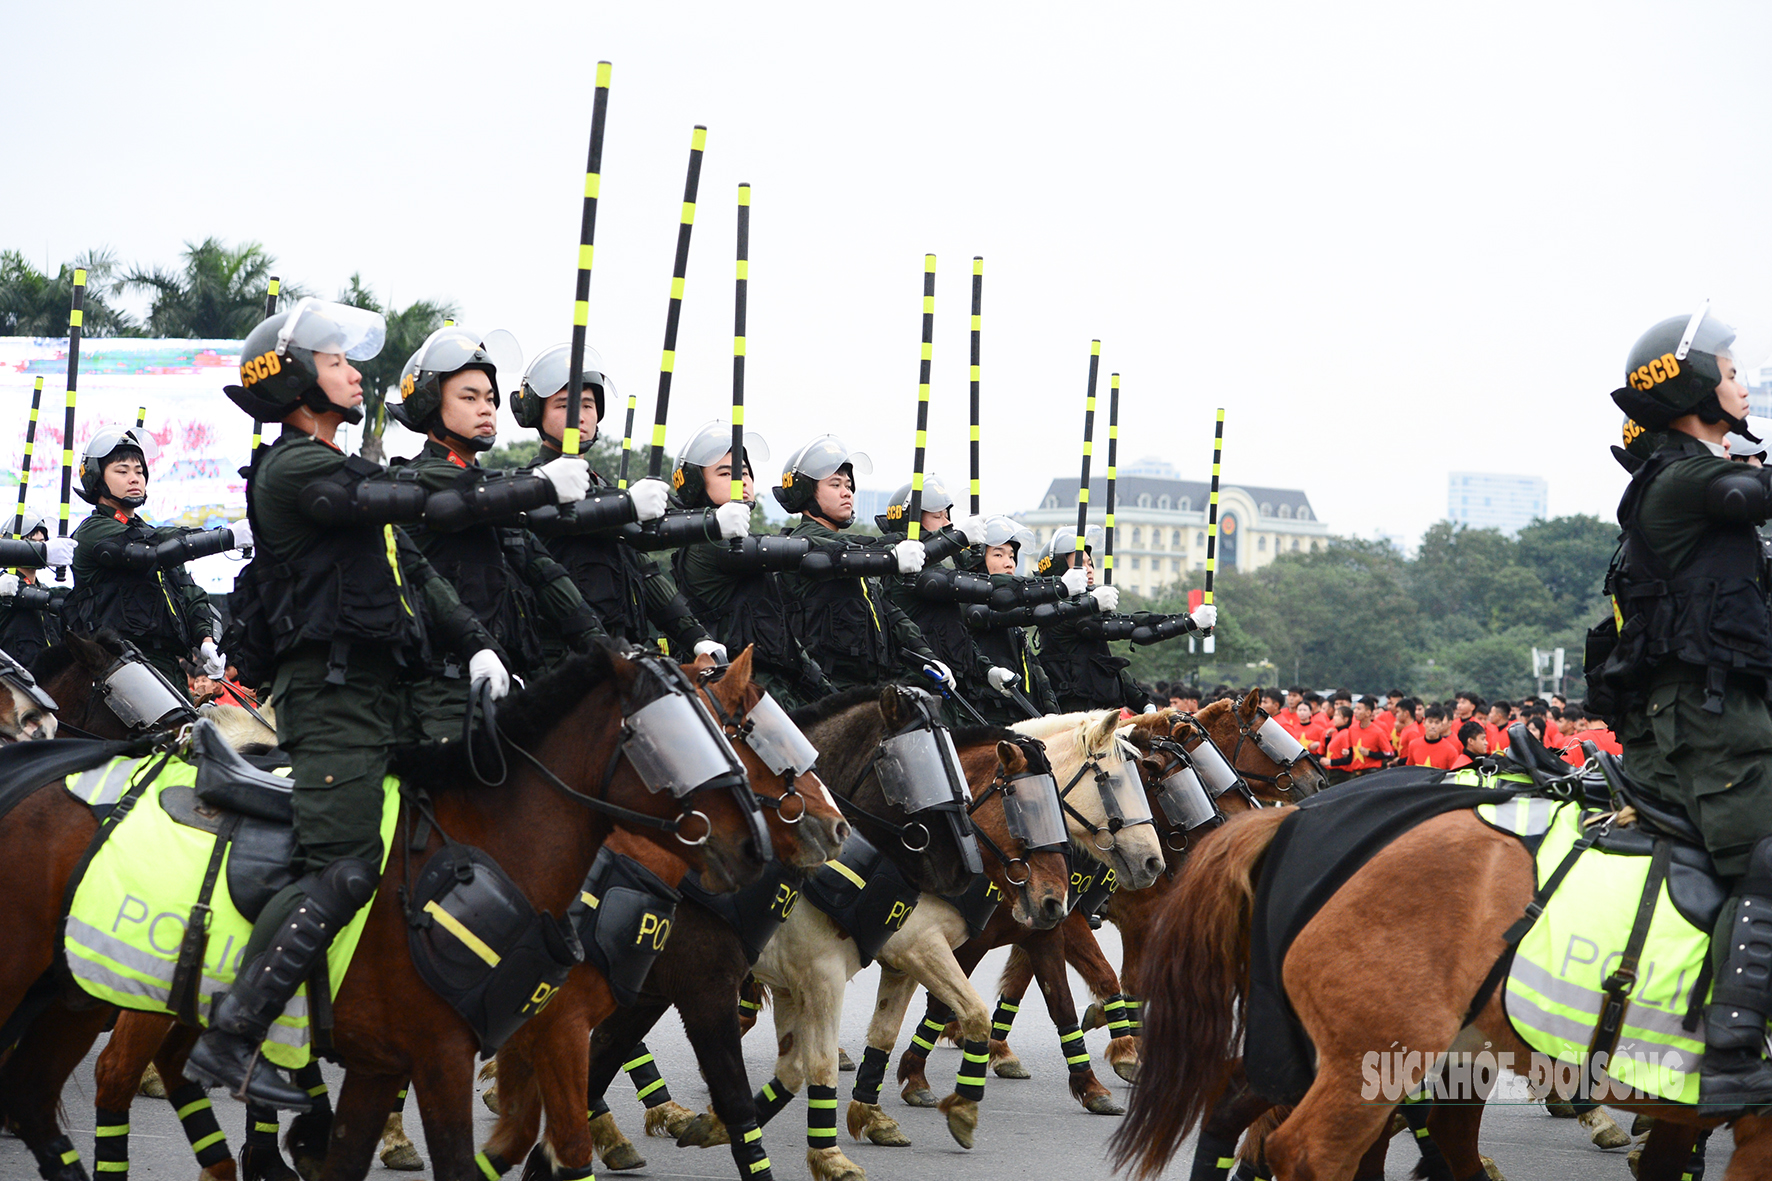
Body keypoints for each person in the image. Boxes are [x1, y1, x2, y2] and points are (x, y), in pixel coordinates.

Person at [186, 298, 520, 1108]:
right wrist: (536, 485)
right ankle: (236, 1039)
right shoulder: (295, 467)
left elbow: (422, 572)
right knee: (343, 865)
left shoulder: (348, 464)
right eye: (338, 362)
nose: (355, 372)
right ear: (298, 378)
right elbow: (420, 506)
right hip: (331, 698)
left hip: (390, 691)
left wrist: (478, 642)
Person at [1585, 305, 1772, 1113]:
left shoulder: (1694, 474)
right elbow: (1748, 490)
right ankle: (1732, 1051)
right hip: (1708, 724)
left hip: (1704, 713)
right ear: (1694, 383)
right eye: (1730, 372)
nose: (1742, 383)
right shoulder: (1685, 478)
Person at [385, 328, 604, 739]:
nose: (486, 409)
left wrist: (606, 650)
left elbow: (544, 572)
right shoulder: (419, 478)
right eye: (469, 398)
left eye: (490, 398)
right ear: (431, 403)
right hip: (439, 691)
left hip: (499, 684)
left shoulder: (491, 493)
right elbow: (471, 494)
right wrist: (544, 481)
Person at [511, 344, 737, 663]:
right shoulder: (533, 485)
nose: (580, 415)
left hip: (625, 655)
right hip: (564, 661)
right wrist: (709, 523)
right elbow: (630, 528)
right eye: (564, 405)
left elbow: (644, 574)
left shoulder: (603, 489)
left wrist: (696, 636)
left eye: (588, 404)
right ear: (538, 411)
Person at [55, 426, 245, 696]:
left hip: (168, 667)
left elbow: (189, 592)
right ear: (97, 478)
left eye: (139, 471)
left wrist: (206, 639)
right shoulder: (94, 532)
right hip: (121, 668)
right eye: (122, 471)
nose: (134, 478)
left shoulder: (151, 535)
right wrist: (226, 537)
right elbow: (153, 550)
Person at [666, 420, 833, 707]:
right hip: (733, 693)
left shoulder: (744, 548)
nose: (740, 481)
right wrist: (886, 557)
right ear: (696, 484)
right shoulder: (709, 543)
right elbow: (796, 550)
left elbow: (778, 637)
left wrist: (826, 693)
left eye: (743, 472)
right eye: (725, 473)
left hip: (770, 686)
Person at [772, 435, 951, 693]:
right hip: (823, 690)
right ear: (805, 492)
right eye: (835, 485)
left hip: (868, 688)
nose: (847, 492)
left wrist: (926, 655)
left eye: (848, 485)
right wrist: (958, 538)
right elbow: (849, 549)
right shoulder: (804, 543)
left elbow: (889, 613)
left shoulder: (858, 559)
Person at [872, 477, 1023, 721]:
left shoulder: (938, 566)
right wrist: (1060, 589)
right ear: (911, 520)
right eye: (939, 516)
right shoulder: (908, 571)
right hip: (913, 693)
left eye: (948, 515)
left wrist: (987, 670)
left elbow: (954, 635)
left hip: (944, 692)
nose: (948, 522)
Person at [1030, 528, 1211, 712]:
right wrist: (1191, 621)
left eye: (1089, 563)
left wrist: (1143, 702)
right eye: (1079, 564)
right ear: (1061, 571)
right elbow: (1135, 629)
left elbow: (1105, 665)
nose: (1089, 569)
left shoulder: (1086, 611)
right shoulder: (1065, 614)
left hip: (1099, 713)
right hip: (1075, 720)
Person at [958, 516, 1065, 723]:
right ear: (976, 562)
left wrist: (1051, 710)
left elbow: (1034, 669)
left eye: (1012, 556)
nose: (1009, 564)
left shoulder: (1013, 620)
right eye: (998, 554)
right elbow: (1002, 616)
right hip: (985, 717)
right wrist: (1064, 593)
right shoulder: (968, 605)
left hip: (1021, 714)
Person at [0, 511, 68, 668]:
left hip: (48, 683)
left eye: (42, 542)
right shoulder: (4, 587)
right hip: (14, 684)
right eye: (31, 542)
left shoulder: (44, 590)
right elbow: (25, 595)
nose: (38, 548)